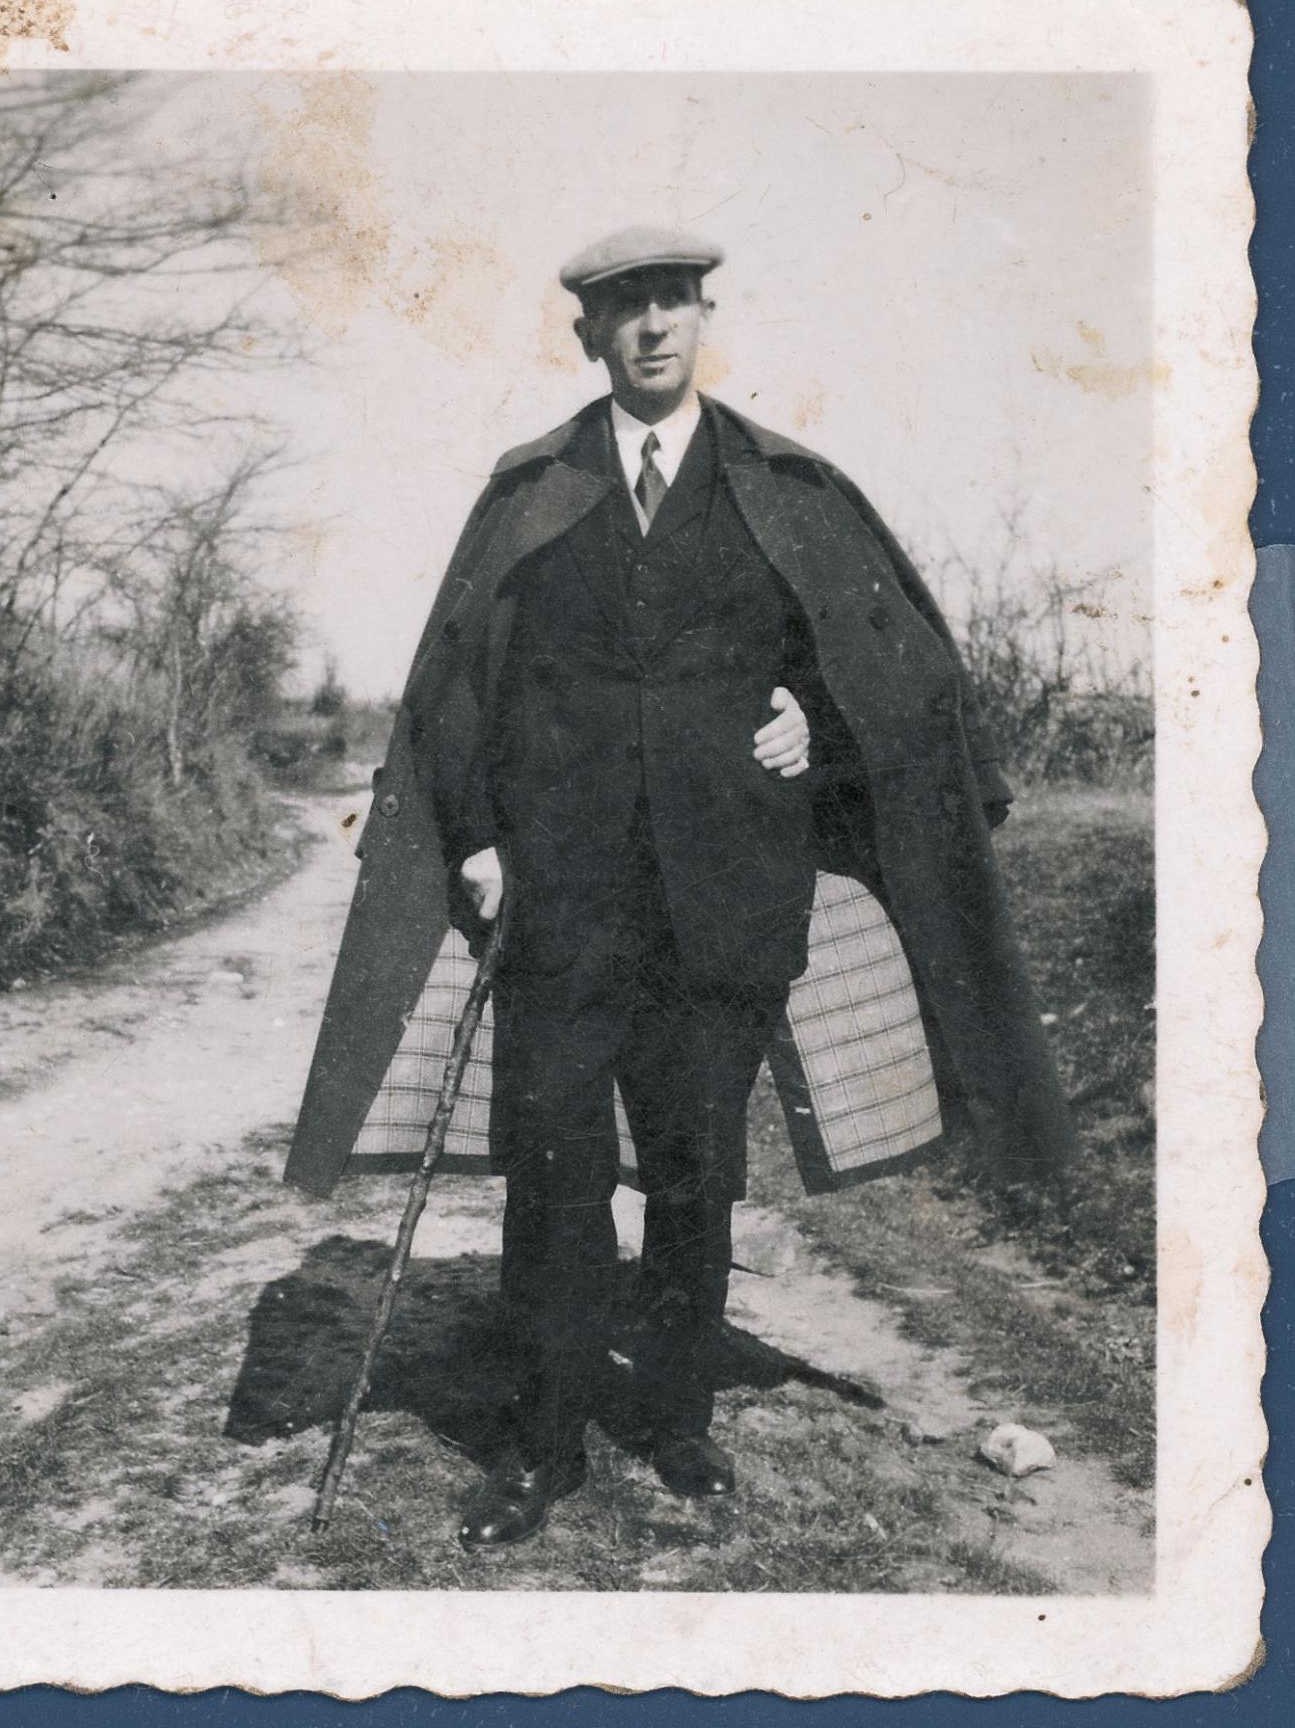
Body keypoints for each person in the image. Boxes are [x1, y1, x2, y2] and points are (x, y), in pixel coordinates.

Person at [286, 225, 1073, 1549]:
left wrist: (817, 724)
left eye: (672, 302)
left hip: (728, 904)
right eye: (625, 309)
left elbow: (897, 677)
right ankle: (540, 1444)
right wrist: (475, 838)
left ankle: (673, 1416)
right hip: (559, 905)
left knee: (695, 1170)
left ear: (703, 318)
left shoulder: (784, 489)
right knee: (553, 1173)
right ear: (588, 335)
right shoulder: (532, 491)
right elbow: (456, 687)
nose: (651, 327)